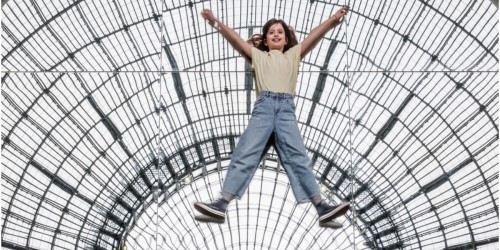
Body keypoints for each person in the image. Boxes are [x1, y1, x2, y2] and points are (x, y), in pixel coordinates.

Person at [194, 7, 350, 228]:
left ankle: (322, 207)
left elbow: (314, 36)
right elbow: (235, 39)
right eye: (271, 33)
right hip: (264, 110)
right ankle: (221, 204)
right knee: (245, 153)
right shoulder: (257, 56)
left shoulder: (293, 55)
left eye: (280, 32)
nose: (276, 34)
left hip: (286, 111)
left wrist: (333, 20)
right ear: (266, 41)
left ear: (287, 40)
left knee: (299, 158)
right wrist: (214, 22)